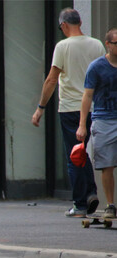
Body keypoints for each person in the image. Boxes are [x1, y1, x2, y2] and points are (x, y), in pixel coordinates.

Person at [31, 8, 105, 217]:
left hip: (71, 107)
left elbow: (52, 79)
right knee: (81, 151)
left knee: (74, 156)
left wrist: (40, 108)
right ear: (80, 22)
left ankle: (80, 203)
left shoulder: (62, 46)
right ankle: (90, 193)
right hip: (93, 107)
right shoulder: (97, 44)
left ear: (63, 25)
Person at [76, 28, 117, 219]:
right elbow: (87, 95)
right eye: (116, 43)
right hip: (103, 119)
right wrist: (82, 125)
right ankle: (111, 204)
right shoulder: (96, 67)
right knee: (107, 164)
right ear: (107, 45)